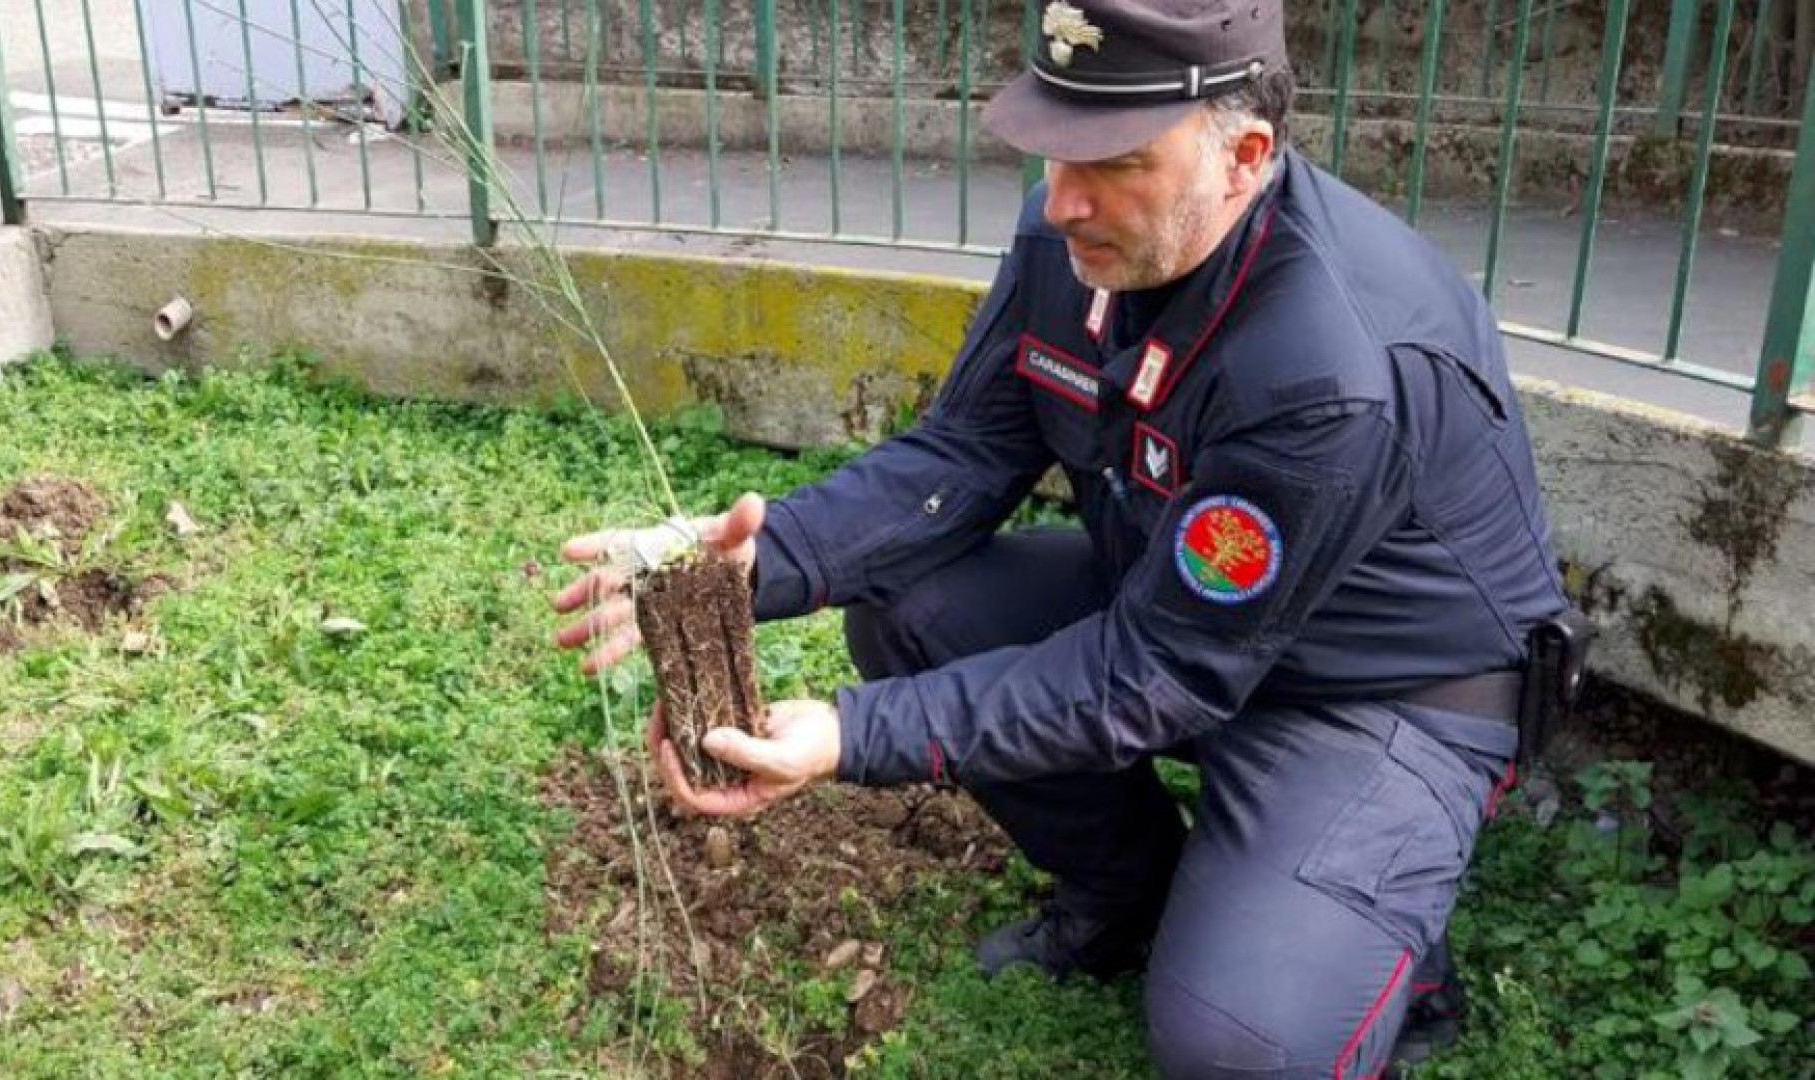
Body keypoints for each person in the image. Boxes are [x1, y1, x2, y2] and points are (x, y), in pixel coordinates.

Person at [552, 0, 1571, 1075]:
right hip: (1178, 611)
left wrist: (850, 735)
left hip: (1374, 693)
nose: (1061, 198)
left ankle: (1385, 953)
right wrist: (752, 565)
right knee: (912, 610)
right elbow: (964, 452)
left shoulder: (1329, 369)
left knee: (1240, 1048)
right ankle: (1130, 896)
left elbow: (1156, 672)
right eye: (1051, 147)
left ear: (1247, 156)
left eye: (1113, 161)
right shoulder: (1083, 235)